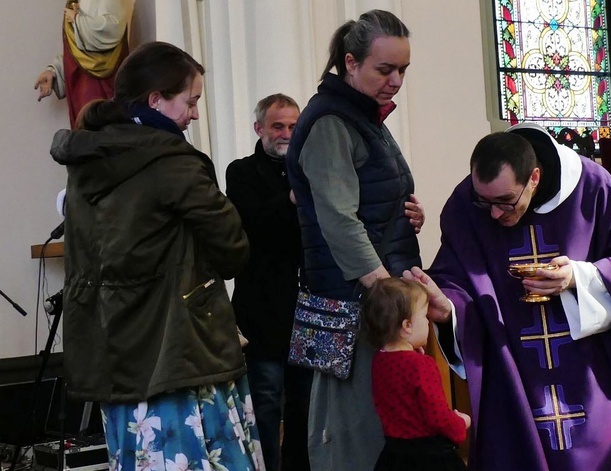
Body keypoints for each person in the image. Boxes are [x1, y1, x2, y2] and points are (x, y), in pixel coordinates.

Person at [406, 122, 611, 470]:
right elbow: (454, 279)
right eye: (485, 202)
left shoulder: (593, 188)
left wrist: (579, 276)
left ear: (534, 177)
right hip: (514, 370)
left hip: (591, 367)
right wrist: (449, 310)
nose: (494, 214)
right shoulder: (466, 203)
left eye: (505, 201)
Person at [50, 41, 265, 471]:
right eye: (191, 101)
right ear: (155, 100)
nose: (195, 113)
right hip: (178, 352)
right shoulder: (173, 163)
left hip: (115, 353)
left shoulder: (85, 163)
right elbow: (232, 250)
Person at [286, 9, 425, 470]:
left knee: (381, 427)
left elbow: (369, 199)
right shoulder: (330, 121)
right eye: (385, 69)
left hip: (368, 296)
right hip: (351, 303)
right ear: (350, 62)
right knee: (349, 436)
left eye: (403, 69)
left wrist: (407, 215)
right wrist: (385, 288)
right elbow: (338, 219)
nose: (396, 80)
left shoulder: (362, 116)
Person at [226, 93, 313, 471]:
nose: (287, 133)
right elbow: (249, 226)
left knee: (306, 408)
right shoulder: (241, 171)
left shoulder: (312, 169)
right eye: (278, 125)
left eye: (294, 126)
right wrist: (292, 199)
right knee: (264, 405)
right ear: (259, 128)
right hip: (262, 311)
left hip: (309, 310)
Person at [361, 277, 470, 471]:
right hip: (429, 458)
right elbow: (436, 416)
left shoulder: (379, 360)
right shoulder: (421, 365)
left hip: (394, 456)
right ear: (407, 326)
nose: (428, 323)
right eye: (424, 317)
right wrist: (460, 423)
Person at [35, 0, 133, 127]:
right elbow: (78, 53)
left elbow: (112, 28)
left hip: (103, 83)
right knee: (84, 131)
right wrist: (54, 71)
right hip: (83, 84)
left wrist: (77, 20)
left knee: (101, 129)